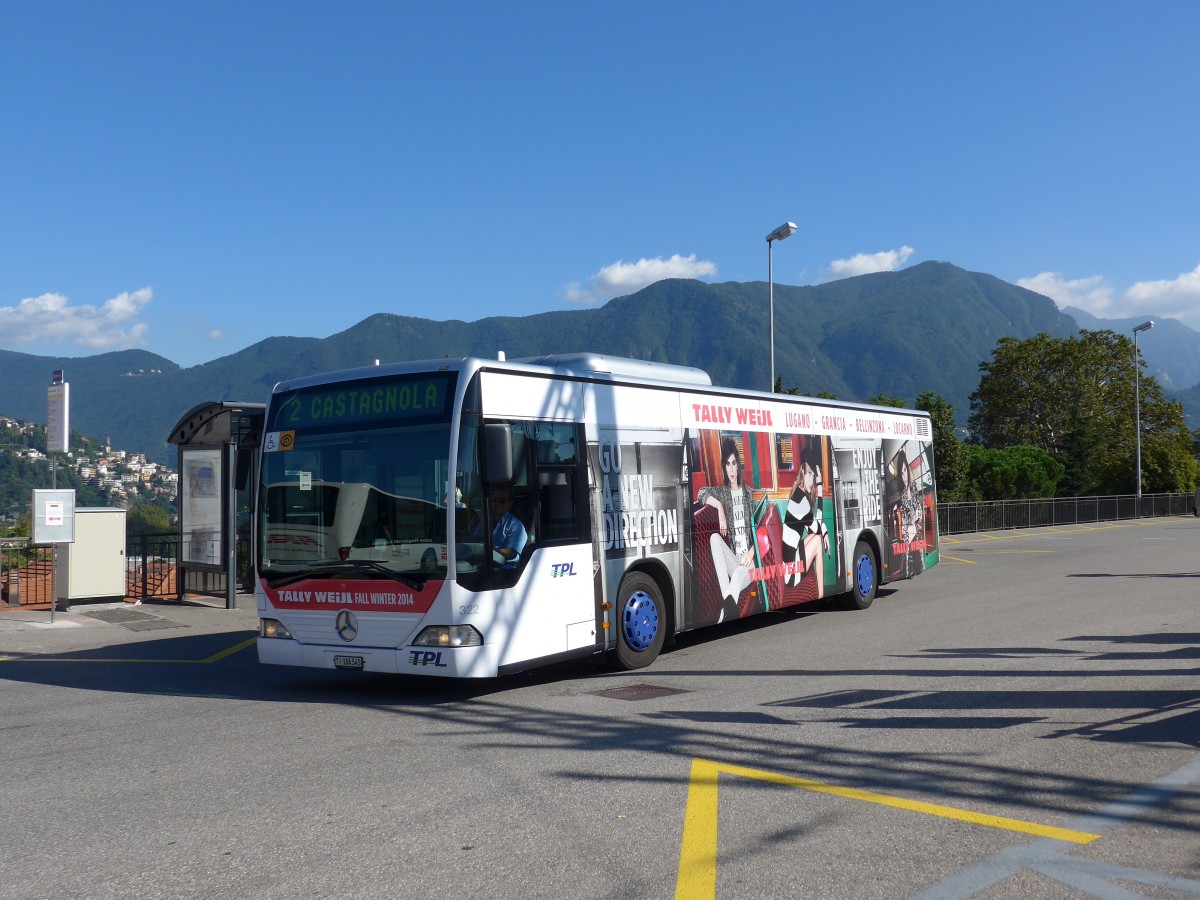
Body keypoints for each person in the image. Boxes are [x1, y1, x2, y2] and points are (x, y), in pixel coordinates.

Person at [698, 438, 759, 622]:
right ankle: (728, 598)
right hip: (735, 560)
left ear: (738, 465)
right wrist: (720, 508)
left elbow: (760, 527)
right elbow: (701, 492)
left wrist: (751, 553)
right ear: (724, 467)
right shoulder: (723, 493)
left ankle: (723, 615)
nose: (731, 469)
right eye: (727, 464)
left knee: (740, 573)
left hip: (749, 564)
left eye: (734, 463)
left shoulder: (748, 493)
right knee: (715, 538)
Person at [782, 444, 828, 598]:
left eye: (814, 476)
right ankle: (821, 594)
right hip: (790, 573)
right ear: (802, 472)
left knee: (816, 537)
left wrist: (823, 530)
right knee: (817, 541)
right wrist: (820, 488)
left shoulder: (799, 494)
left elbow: (814, 528)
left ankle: (821, 593)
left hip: (789, 563)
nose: (811, 480)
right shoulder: (800, 501)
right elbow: (817, 527)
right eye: (809, 474)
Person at [488, 486, 528, 564]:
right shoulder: (486, 521)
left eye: (502, 501)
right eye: (494, 500)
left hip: (506, 567)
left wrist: (487, 554)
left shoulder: (516, 525)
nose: (497, 503)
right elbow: (477, 539)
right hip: (486, 563)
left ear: (509, 504)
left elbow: (511, 552)